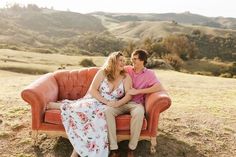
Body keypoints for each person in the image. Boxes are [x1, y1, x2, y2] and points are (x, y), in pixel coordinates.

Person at [47, 52, 132, 157]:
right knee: (84, 109)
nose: (123, 62)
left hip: (112, 105)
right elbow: (93, 90)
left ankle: (77, 151)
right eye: (121, 60)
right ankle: (60, 106)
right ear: (113, 61)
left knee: (98, 117)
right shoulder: (103, 73)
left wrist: (117, 103)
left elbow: (129, 95)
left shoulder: (126, 77)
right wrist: (106, 102)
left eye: (124, 60)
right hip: (96, 99)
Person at [105, 49, 164, 157]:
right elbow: (113, 70)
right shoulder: (127, 69)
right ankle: (114, 148)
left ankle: (131, 148)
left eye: (135, 59)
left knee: (139, 114)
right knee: (108, 111)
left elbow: (159, 87)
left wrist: (138, 91)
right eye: (132, 58)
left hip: (136, 104)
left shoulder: (149, 74)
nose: (132, 60)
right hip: (122, 101)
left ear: (143, 60)